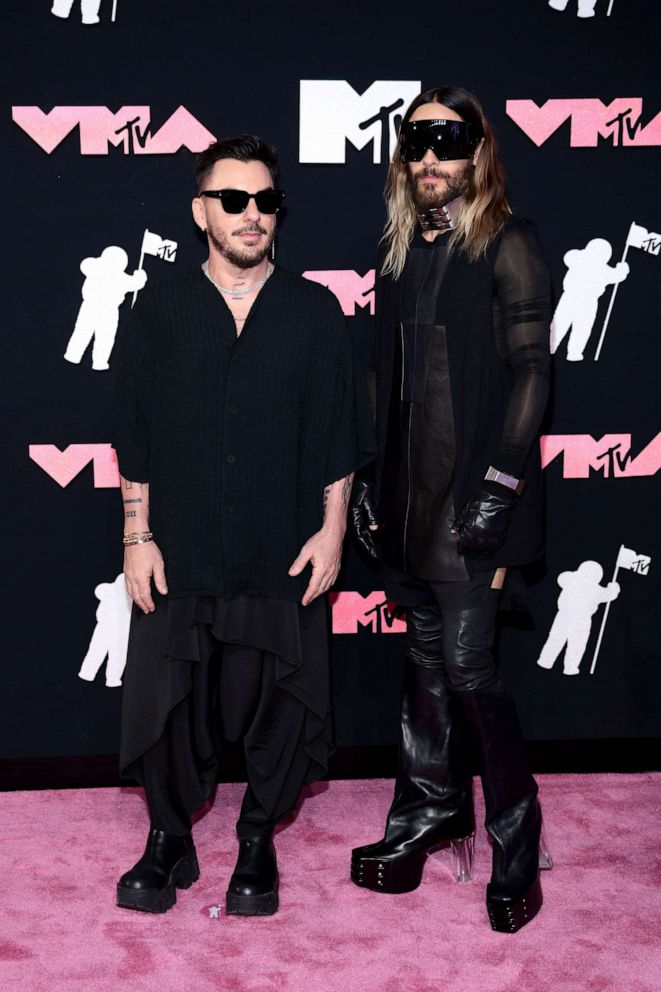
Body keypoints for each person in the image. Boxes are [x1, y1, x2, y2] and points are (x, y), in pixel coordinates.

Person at [112, 134, 374, 916]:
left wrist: (332, 532)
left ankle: (257, 838)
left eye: (265, 200)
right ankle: (168, 838)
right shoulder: (158, 306)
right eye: (233, 200)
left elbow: (336, 433)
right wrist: (136, 535)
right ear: (202, 212)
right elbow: (136, 433)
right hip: (180, 547)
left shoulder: (312, 311)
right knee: (166, 704)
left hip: (279, 545)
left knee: (277, 709)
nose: (251, 215)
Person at [349, 87, 552, 932]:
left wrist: (499, 495)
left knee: (469, 670)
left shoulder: (508, 244)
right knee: (425, 667)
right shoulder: (398, 252)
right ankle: (430, 809)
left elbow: (534, 373)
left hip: (471, 501)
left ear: (477, 152)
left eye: (447, 139)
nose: (429, 156)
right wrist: (368, 479)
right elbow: (379, 379)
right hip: (407, 501)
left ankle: (516, 834)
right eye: (416, 140)